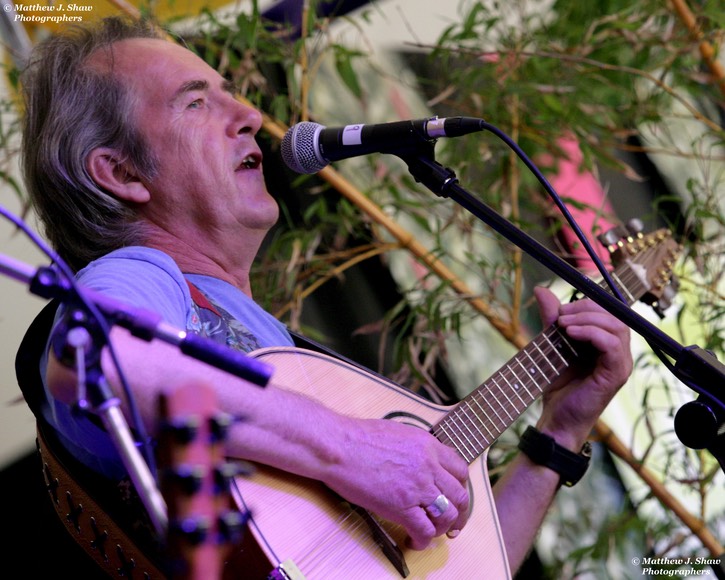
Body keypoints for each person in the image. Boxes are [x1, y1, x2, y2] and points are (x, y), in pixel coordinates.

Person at [18, 15, 632, 577]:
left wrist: (562, 428)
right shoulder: (141, 274)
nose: (249, 114)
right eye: (197, 102)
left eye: (231, 91)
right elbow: (96, 360)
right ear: (122, 173)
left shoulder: (281, 355)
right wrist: (352, 448)